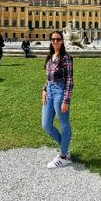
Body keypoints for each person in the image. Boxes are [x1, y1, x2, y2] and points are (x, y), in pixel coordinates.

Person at [41, 31, 73, 169]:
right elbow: (48, 78)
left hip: (60, 92)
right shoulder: (49, 57)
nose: (55, 41)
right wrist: (44, 89)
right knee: (46, 125)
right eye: (53, 39)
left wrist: (66, 100)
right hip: (49, 92)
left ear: (62, 41)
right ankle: (65, 149)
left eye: (58, 39)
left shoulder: (66, 58)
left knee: (63, 124)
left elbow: (69, 81)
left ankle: (63, 156)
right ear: (50, 41)